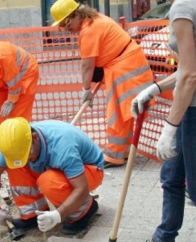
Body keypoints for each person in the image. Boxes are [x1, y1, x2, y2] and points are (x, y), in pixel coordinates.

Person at [50, 0, 155, 169]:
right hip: (127, 64)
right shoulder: (95, 20)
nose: (64, 28)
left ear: (76, 15)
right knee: (126, 111)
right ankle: (123, 152)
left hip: (124, 68)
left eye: (65, 23)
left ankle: (114, 155)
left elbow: (87, 65)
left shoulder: (89, 30)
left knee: (118, 113)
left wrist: (86, 90)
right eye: (61, 25)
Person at [131, 0, 196, 241]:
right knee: (171, 177)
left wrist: (169, 129)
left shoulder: (184, 8)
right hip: (189, 105)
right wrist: (155, 89)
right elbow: (190, 67)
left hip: (193, 109)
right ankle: (164, 236)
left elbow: (190, 75)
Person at [0, 117, 104, 235]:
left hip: (89, 169)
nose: (27, 159)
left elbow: (81, 188)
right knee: (16, 166)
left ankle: (84, 210)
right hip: (59, 166)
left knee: (48, 181)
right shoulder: (13, 145)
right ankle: (32, 213)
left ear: (35, 137)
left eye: (28, 154)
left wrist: (58, 215)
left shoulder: (62, 147)